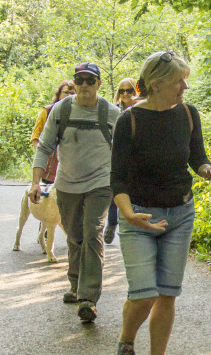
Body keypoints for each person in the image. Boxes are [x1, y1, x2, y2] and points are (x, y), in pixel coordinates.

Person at [111, 51, 211, 355]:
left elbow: (197, 158)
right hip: (139, 217)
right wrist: (129, 213)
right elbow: (117, 177)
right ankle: (126, 343)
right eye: (179, 80)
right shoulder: (128, 121)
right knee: (144, 293)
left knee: (167, 293)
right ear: (158, 83)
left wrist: (206, 170)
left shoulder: (188, 114)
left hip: (180, 214)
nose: (185, 86)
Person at [29, 63, 120, 321]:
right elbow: (45, 146)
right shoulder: (61, 110)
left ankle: (88, 298)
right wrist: (36, 182)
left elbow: (127, 150)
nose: (83, 85)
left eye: (90, 80)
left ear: (99, 84)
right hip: (67, 184)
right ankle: (76, 283)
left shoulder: (111, 113)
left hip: (101, 183)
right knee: (75, 235)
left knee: (92, 232)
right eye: (79, 80)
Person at [103, 78, 139, 244]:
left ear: (135, 91)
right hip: (117, 156)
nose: (125, 94)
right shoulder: (114, 111)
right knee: (116, 191)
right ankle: (112, 223)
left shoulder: (141, 109)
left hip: (137, 158)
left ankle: (133, 226)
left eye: (129, 90)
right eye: (122, 91)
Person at [31, 80, 75, 152]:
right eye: (66, 92)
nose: (69, 96)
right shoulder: (47, 110)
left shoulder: (78, 114)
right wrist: (40, 158)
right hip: (49, 159)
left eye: (72, 93)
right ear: (59, 94)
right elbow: (35, 137)